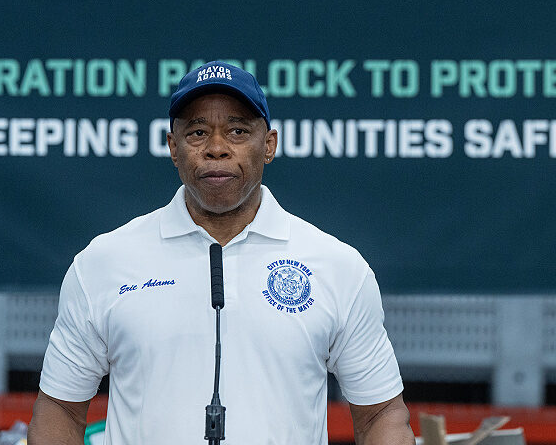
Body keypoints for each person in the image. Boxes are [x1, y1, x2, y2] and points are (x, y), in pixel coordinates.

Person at [28, 61, 414, 444]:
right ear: (172, 148)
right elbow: (60, 408)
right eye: (197, 132)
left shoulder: (338, 267)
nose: (216, 148)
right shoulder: (103, 264)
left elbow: (380, 413)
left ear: (269, 145)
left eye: (237, 131)